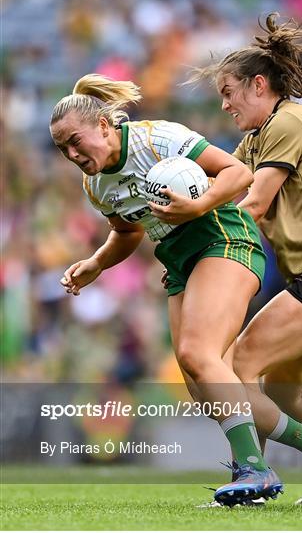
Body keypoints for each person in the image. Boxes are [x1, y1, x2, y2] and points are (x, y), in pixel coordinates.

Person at [157, 13, 302, 506]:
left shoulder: (291, 120)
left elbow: (251, 203)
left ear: (260, 85)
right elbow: (224, 183)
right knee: (282, 390)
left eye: (230, 92)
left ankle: (252, 472)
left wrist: (194, 215)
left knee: (231, 368)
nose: (224, 103)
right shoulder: (256, 139)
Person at [51, 73, 283, 506]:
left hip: (222, 237)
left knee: (200, 356)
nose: (71, 154)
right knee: (199, 383)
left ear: (104, 125)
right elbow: (127, 232)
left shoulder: (158, 139)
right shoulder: (95, 184)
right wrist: (97, 263)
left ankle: (255, 469)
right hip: (180, 260)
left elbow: (239, 173)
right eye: (62, 148)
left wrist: (197, 204)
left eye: (76, 141)